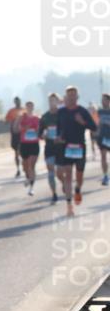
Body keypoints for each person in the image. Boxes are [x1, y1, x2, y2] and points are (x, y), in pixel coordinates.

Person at [55, 86, 98, 217]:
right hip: (66, 147)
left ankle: (78, 189)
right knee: (68, 174)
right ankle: (69, 206)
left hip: (79, 147)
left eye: (74, 95)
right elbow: (58, 128)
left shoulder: (83, 111)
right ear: (66, 97)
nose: (71, 97)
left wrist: (82, 122)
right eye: (69, 95)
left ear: (77, 97)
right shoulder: (61, 112)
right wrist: (58, 137)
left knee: (79, 177)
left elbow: (94, 128)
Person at [39, 92, 62, 204]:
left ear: (57, 102)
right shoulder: (44, 117)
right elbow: (40, 133)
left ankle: (64, 183)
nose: (51, 103)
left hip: (61, 147)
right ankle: (54, 194)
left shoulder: (62, 115)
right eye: (50, 101)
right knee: (51, 171)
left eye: (54, 100)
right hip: (49, 147)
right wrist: (43, 135)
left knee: (60, 172)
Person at [13, 101, 41, 196]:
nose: (29, 108)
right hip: (24, 144)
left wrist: (38, 131)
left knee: (32, 165)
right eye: (28, 106)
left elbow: (40, 131)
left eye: (31, 106)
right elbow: (15, 129)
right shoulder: (21, 117)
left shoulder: (37, 118)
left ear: (33, 107)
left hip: (34, 143)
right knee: (25, 167)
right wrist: (23, 127)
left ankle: (31, 188)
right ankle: (28, 178)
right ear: (26, 107)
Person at [5, 97, 25, 177]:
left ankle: (25, 166)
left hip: (23, 133)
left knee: (22, 151)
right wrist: (12, 121)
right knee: (16, 152)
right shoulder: (11, 111)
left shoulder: (24, 111)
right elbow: (6, 121)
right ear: (14, 102)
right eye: (16, 102)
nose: (17, 103)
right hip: (15, 134)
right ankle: (18, 169)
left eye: (18, 101)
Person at [97, 93, 110, 186]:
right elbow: (97, 123)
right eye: (102, 99)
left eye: (104, 99)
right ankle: (105, 175)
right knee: (103, 156)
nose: (103, 101)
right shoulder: (99, 111)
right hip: (102, 137)